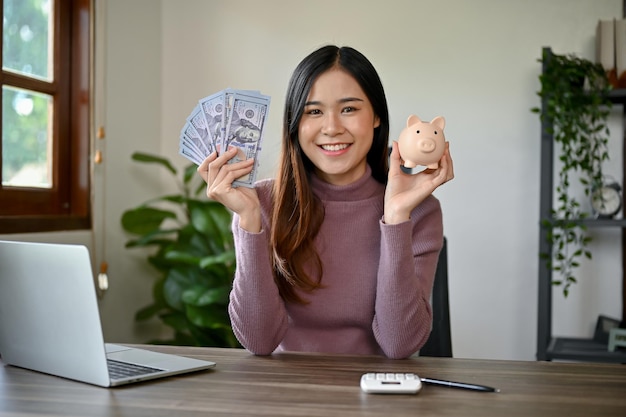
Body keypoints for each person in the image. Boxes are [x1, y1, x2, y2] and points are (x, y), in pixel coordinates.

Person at [197, 45, 454, 359]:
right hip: (287, 396)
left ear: (376, 116)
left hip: (375, 397)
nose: (331, 127)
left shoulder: (420, 210)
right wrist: (249, 220)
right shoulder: (261, 202)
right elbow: (259, 341)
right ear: (295, 123)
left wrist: (397, 216)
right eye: (314, 111)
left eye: (349, 109)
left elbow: (399, 344)